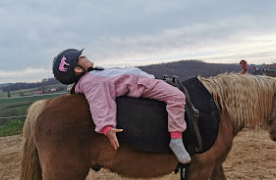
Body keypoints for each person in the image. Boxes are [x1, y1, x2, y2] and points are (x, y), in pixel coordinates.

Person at [52, 48, 191, 164]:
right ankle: (176, 139)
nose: (85, 57)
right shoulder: (93, 82)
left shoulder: (92, 76)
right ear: (77, 68)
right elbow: (99, 104)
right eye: (81, 57)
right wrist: (106, 127)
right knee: (177, 96)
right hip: (142, 85)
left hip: (142, 81)